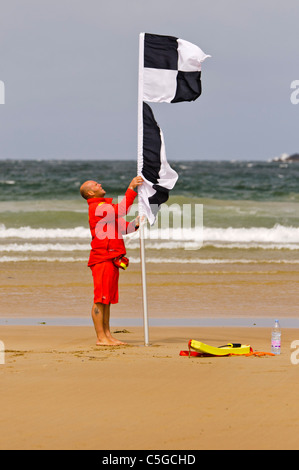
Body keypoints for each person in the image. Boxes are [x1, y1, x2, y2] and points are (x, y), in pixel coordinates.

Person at [80, 176, 143, 346]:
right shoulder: (97, 207)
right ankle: (101, 337)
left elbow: (124, 228)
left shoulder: (104, 208)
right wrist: (131, 188)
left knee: (107, 299)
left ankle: (108, 335)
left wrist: (137, 222)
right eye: (95, 184)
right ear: (91, 192)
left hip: (112, 257)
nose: (99, 183)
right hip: (102, 258)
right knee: (100, 299)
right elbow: (122, 209)